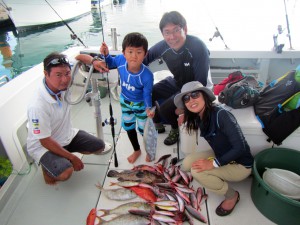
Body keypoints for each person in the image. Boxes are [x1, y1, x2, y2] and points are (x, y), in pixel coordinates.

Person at [174, 81, 254, 216]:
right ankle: (216, 174)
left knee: (197, 172)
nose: (191, 100)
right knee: (187, 163)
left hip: (240, 164)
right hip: (221, 153)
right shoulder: (199, 114)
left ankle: (232, 196)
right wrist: (182, 114)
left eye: (195, 95)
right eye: (186, 98)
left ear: (205, 95)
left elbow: (240, 148)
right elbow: (179, 110)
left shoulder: (222, 115)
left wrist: (213, 163)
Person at [27, 52, 105, 185]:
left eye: (67, 73)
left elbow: (79, 57)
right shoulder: (37, 106)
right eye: (58, 75)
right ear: (46, 74)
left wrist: (94, 62)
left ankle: (62, 154)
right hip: (43, 146)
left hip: (66, 135)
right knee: (65, 173)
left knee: (99, 146)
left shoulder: (65, 75)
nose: (64, 79)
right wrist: (72, 158)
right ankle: (48, 168)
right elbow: (45, 141)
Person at [143, 11, 213, 146]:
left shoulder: (197, 47)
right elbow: (143, 59)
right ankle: (157, 123)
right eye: (167, 32)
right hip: (178, 81)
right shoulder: (162, 46)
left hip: (197, 87)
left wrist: (185, 109)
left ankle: (175, 129)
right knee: (150, 91)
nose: (172, 37)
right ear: (163, 34)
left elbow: (201, 83)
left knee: (165, 109)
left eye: (176, 30)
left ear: (185, 29)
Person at [100, 32, 155, 163]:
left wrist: (148, 108)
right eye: (130, 51)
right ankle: (137, 150)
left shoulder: (147, 75)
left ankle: (150, 150)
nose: (134, 56)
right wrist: (106, 54)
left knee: (144, 130)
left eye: (139, 52)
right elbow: (110, 63)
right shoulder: (120, 60)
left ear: (145, 54)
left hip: (141, 104)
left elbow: (147, 94)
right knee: (129, 126)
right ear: (123, 53)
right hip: (125, 101)